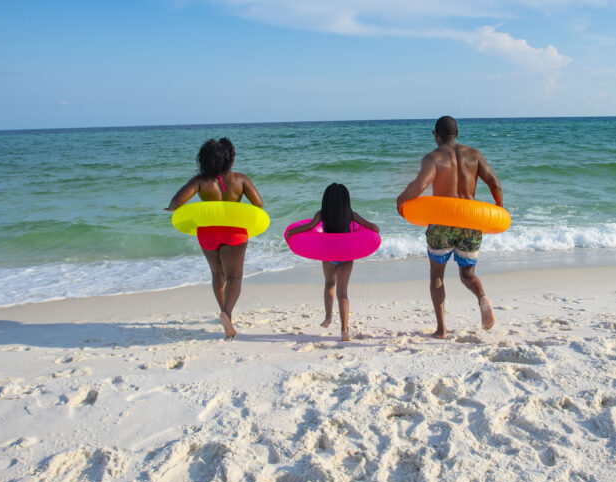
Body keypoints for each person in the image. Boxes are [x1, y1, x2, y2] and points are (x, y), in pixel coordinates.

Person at [396, 115, 503, 338]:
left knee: (437, 276)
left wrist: (401, 200)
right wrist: (497, 211)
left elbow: (420, 185)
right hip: (470, 222)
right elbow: (494, 183)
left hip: (442, 223)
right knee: (467, 274)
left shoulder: (432, 157)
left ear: (435, 134)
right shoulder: (474, 155)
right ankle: (482, 296)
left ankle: (442, 329)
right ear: (457, 134)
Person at [167, 138, 264, 339]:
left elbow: (176, 202)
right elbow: (259, 204)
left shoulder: (200, 181)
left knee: (217, 274)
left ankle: (224, 312)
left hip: (208, 233)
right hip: (234, 231)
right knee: (234, 276)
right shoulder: (240, 179)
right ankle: (226, 314)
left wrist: (174, 209)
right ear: (230, 159)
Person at [285, 183, 380, 342]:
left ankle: (328, 317)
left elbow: (309, 227)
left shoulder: (321, 214)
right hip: (346, 254)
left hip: (329, 254)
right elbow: (374, 228)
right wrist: (373, 227)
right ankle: (344, 330)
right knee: (343, 292)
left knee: (329, 284)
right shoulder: (351, 214)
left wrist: (290, 233)